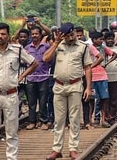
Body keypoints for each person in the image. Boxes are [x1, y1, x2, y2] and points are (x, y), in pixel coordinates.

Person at [0, 22, 37, 160]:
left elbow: (34, 63)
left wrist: (22, 76)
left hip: (11, 95)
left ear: (8, 35)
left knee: (11, 131)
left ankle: (12, 158)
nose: (0, 36)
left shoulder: (17, 50)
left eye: (3, 34)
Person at [43, 23, 93, 160]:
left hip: (75, 85)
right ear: (63, 36)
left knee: (74, 118)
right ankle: (57, 149)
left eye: (73, 35)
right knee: (58, 120)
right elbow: (45, 59)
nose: (71, 38)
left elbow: (88, 68)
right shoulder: (58, 45)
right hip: (58, 86)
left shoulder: (83, 47)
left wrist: (88, 87)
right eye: (68, 36)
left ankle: (73, 148)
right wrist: (55, 43)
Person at [25, 26, 52, 130]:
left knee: (43, 101)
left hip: (43, 77)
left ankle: (43, 121)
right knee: (31, 102)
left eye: (36, 34)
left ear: (41, 35)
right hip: (31, 78)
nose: (34, 36)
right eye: (33, 34)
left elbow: (51, 61)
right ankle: (32, 121)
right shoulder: (27, 48)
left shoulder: (46, 47)